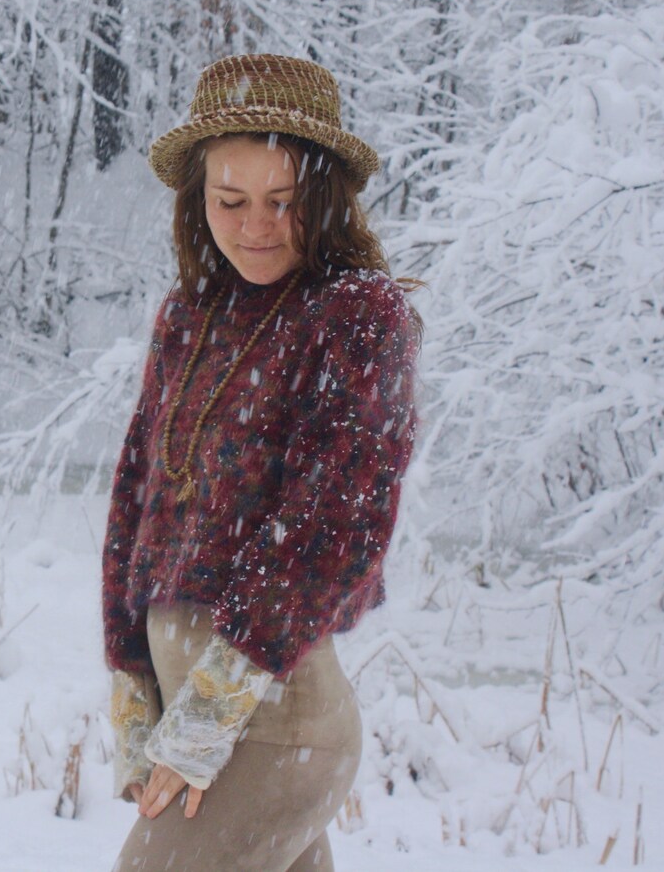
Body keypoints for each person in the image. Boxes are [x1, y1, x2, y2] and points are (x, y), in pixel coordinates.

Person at [102, 53, 420, 872]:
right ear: (198, 198)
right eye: (230, 199)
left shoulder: (356, 315)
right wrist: (133, 677)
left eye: (283, 200)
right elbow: (135, 501)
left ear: (326, 195)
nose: (256, 225)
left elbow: (335, 523)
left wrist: (210, 710)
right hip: (199, 714)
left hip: (275, 724)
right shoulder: (189, 318)